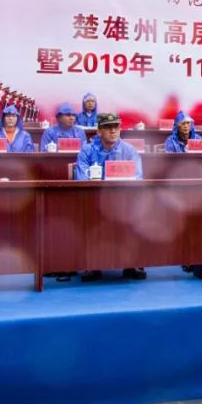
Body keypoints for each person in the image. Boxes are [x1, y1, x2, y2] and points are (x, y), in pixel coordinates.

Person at [73, 112, 145, 281]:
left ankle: (132, 263)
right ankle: (92, 265)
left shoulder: (129, 150)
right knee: (87, 214)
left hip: (124, 200)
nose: (113, 131)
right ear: (99, 131)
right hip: (94, 200)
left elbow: (138, 177)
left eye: (116, 127)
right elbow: (82, 178)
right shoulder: (87, 150)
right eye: (107, 127)